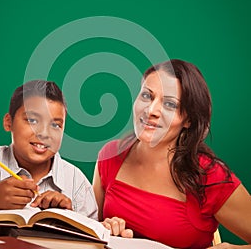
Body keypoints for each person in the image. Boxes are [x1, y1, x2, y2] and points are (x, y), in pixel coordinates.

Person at [93, 59, 251, 248]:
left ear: (188, 120)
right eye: (147, 96)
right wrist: (105, 228)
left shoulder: (209, 175)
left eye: (169, 104)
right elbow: (90, 231)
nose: (151, 110)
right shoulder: (110, 155)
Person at [0, 80, 98, 219]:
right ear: (9, 122)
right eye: (32, 120)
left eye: (55, 125)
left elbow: (96, 236)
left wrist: (69, 217)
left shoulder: (76, 182)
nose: (44, 133)